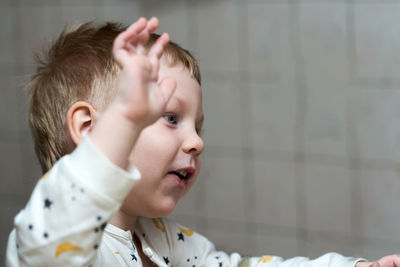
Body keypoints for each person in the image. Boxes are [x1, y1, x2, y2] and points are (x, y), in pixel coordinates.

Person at [5, 17, 400, 267]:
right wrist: (123, 120)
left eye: (198, 126)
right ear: (90, 128)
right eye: (170, 118)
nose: (196, 142)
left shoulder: (166, 242)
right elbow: (49, 242)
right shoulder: (67, 246)